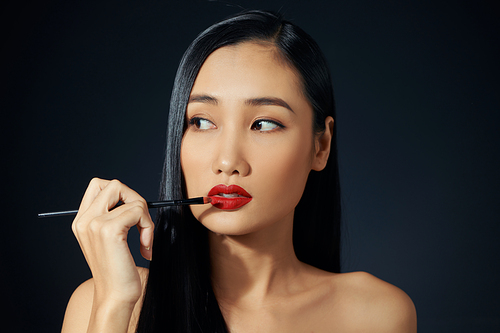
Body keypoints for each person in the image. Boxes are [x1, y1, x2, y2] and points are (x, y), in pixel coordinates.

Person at [61, 10, 416, 333]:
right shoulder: (105, 303)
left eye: (263, 124)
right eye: (201, 121)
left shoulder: (375, 315)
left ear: (320, 146)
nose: (227, 160)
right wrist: (114, 306)